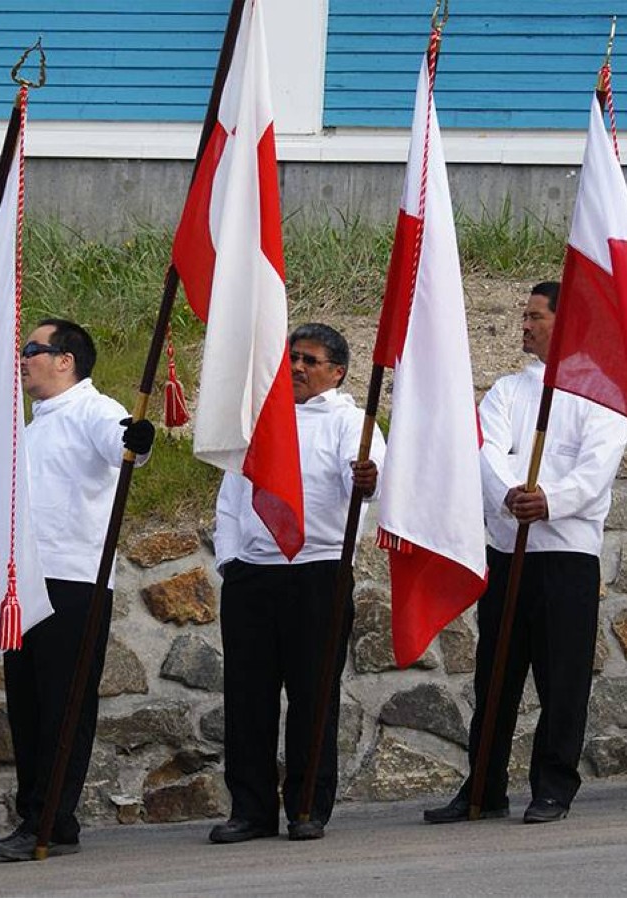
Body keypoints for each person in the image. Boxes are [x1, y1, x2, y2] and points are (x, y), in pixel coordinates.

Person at [422, 282, 627, 826]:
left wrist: (550, 499)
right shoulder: (506, 392)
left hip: (565, 556)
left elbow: (595, 471)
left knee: (562, 679)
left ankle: (553, 786)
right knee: (496, 675)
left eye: (536, 316)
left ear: (566, 324)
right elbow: (484, 451)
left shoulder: (602, 396)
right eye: (525, 315)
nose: (525, 325)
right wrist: (512, 494)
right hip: (508, 550)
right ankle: (484, 786)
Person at [0, 319, 154, 861]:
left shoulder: (93, 409)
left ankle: (50, 817)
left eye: (33, 349)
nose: (23, 358)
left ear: (66, 360)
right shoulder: (31, 426)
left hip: (74, 581)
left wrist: (137, 440)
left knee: (63, 704)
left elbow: (122, 440)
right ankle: (41, 816)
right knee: (27, 705)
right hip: (26, 581)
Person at [209, 323, 382, 844]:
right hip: (253, 575)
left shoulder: (351, 423)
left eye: (310, 360)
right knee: (248, 697)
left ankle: (308, 806)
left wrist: (367, 479)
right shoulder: (262, 420)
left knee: (313, 694)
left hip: (318, 571)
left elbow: (368, 482)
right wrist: (230, 561)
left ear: (337, 372)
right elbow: (231, 497)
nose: (298, 368)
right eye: (293, 358)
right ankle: (251, 810)